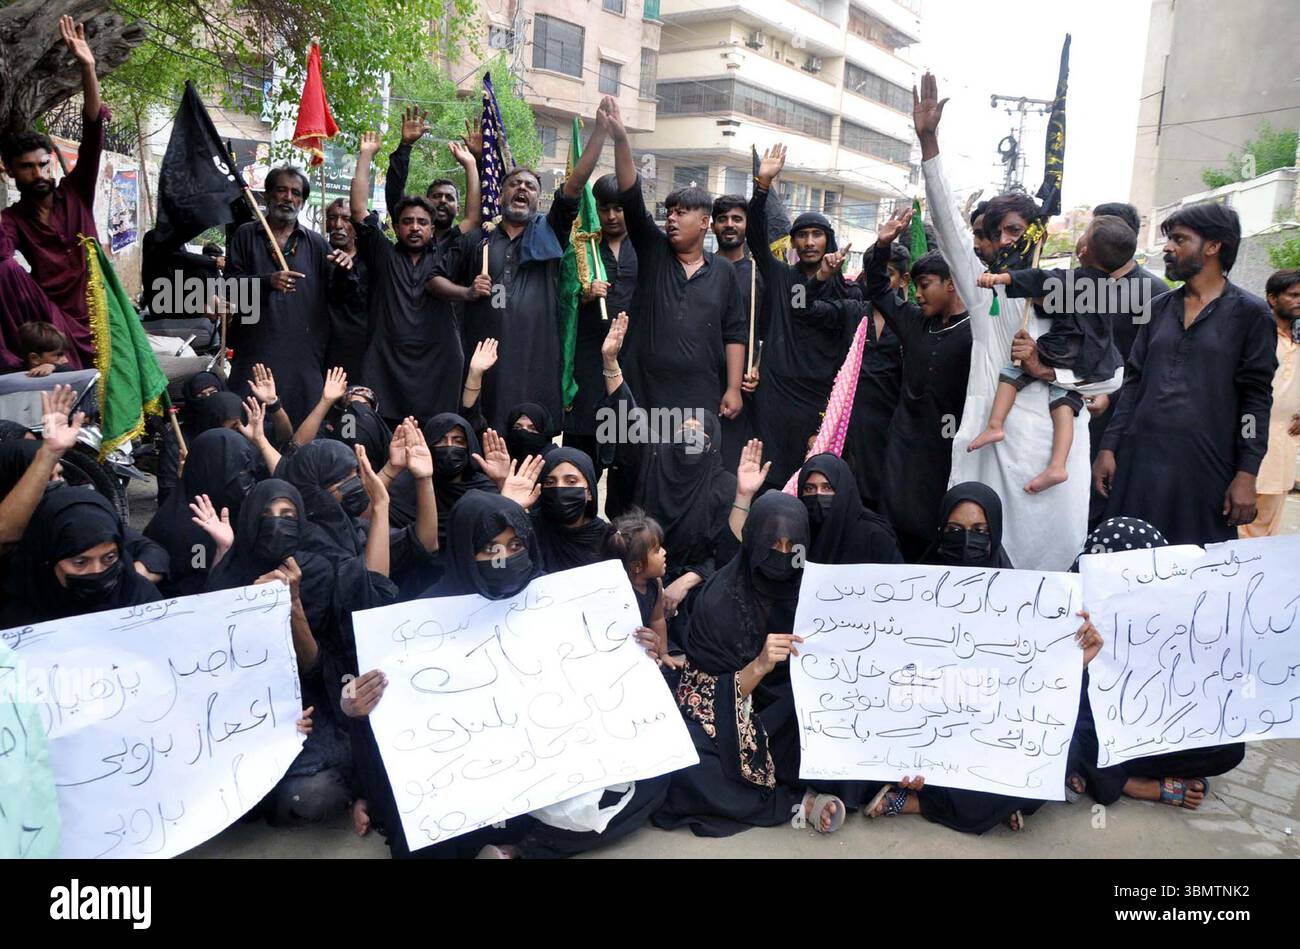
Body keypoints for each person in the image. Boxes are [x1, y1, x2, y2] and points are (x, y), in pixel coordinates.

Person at [346, 491, 670, 858]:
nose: (504, 558)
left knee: (654, 783)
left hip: (549, 768)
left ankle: (517, 852)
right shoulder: (420, 624)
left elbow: (601, 679)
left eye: (515, 544)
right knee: (420, 842)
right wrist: (354, 707)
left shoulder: (559, 600)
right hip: (469, 782)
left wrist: (642, 652)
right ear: (465, 551)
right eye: (489, 548)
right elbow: (394, 721)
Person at [915, 72, 1121, 570]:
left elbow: (1110, 377)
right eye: (1002, 232)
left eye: (1019, 231)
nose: (1011, 241)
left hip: (1058, 455)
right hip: (995, 454)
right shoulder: (992, 293)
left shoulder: (1080, 291)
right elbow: (946, 225)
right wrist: (929, 144)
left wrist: (1045, 370)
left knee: (1050, 575)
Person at [864, 482, 1096, 832]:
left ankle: (921, 803)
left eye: (979, 531)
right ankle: (970, 802)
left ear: (996, 532)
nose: (966, 540)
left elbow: (1032, 681)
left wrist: (1076, 657)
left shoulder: (1020, 600)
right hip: (931, 722)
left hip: (991, 727)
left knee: (1063, 751)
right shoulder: (913, 591)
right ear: (940, 530)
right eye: (955, 530)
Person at [653, 492, 869, 837]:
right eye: (772, 545)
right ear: (753, 540)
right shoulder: (718, 601)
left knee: (853, 727)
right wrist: (758, 665)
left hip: (793, 715)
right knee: (683, 763)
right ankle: (798, 802)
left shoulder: (816, 596)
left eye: (791, 546)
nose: (782, 556)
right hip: (730, 717)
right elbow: (701, 692)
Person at [1093, 202, 1276, 546]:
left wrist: (1247, 472)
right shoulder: (1158, 310)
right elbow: (1133, 385)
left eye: (1179, 239)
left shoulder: (1252, 315)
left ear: (1213, 246)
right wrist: (1109, 447)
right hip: (1139, 464)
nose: (1167, 247)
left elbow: (1255, 401)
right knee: (1125, 564)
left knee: (1194, 572)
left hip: (1205, 471)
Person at [429, 107, 606, 433]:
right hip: (485, 371)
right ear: (500, 194)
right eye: (514, 184)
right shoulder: (477, 240)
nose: (522, 189)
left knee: (531, 457)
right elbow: (433, 280)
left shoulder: (550, 232)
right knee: (482, 447)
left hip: (536, 368)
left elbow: (576, 184)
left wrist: (601, 133)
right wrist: (468, 292)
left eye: (530, 186)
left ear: (539, 199)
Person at [202, 478, 354, 825]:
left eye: (287, 514)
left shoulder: (318, 570)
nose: (276, 523)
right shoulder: (230, 575)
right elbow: (216, 666)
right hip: (240, 712)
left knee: (315, 795)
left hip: (305, 706)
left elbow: (315, 668)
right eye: (266, 515)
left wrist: (293, 604)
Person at [1064, 517, 1242, 810]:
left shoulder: (1166, 610)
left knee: (1228, 747)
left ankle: (1097, 774)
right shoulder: (1069, 607)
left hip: (1138, 726)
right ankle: (1134, 785)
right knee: (1071, 736)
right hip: (1087, 726)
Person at [597, 313, 742, 646]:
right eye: (684, 429)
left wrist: (684, 582)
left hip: (693, 591)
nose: (690, 436)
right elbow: (627, 414)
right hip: (635, 578)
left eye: (699, 433)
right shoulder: (654, 457)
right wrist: (610, 360)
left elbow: (726, 555)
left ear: (713, 444)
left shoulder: (723, 487)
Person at [604, 97, 746, 433]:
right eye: (669, 212)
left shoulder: (723, 272)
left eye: (681, 213)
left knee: (690, 470)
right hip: (645, 390)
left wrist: (734, 388)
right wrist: (622, 140)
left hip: (700, 394)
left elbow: (734, 331)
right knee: (639, 471)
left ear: (704, 223)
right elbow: (630, 195)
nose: (671, 219)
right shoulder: (654, 252)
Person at [970, 215, 1133, 493]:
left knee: (1012, 371)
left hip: (1063, 349)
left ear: (1082, 251)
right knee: (1064, 401)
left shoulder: (1074, 279)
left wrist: (999, 278)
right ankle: (1058, 465)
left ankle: (995, 425)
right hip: (1091, 358)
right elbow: (1058, 304)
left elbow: (1040, 278)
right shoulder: (1107, 289)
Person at [861, 208, 971, 560]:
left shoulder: (977, 331)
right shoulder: (913, 323)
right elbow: (877, 287)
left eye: (924, 286)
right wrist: (882, 243)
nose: (917, 295)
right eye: (914, 286)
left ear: (951, 283)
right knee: (894, 521)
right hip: (904, 443)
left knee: (934, 526)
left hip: (947, 448)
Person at [748, 143, 861, 486]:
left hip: (820, 400)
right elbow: (755, 236)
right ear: (793, 244)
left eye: (817, 235)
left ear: (829, 241)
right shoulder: (783, 277)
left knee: (814, 481)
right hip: (775, 396)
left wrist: (827, 280)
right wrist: (762, 187)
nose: (810, 242)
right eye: (802, 236)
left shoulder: (847, 291)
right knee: (771, 480)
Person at [352, 132, 480, 425]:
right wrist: (366, 155)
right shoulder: (383, 254)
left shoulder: (446, 254)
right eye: (407, 222)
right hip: (386, 364)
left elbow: (472, 218)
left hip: (439, 364)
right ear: (396, 228)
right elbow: (358, 211)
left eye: (422, 222)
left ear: (432, 229)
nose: (414, 227)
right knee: (382, 435)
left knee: (435, 434)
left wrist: (470, 165)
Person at [0, 16, 103, 367]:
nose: (39, 173)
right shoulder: (11, 219)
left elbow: (92, 130)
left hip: (100, 314)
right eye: (27, 168)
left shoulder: (76, 192)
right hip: (52, 318)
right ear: (10, 171)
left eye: (43, 165)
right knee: (4, 270)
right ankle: (23, 359)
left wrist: (87, 66)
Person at [224, 165, 333, 426]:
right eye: (281, 190)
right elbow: (230, 287)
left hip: (303, 359)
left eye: (295, 193)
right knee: (250, 427)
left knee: (301, 433)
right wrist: (267, 282)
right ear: (268, 195)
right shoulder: (245, 235)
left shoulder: (316, 243)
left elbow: (335, 292)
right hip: (255, 351)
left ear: (303, 201)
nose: (288, 197)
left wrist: (346, 265)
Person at [1084, 202, 1168, 526]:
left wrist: (1112, 397)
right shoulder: (1082, 286)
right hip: (1077, 409)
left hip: (1117, 417)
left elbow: (1147, 366)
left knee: (1104, 500)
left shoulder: (1152, 293)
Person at [0, 485, 161, 627]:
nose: (96, 571)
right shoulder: (17, 616)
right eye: (80, 562)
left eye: (109, 558)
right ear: (48, 558)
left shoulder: (139, 595)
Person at [563, 173, 638, 476]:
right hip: (588, 362)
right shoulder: (582, 247)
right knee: (581, 457)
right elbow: (561, 298)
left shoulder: (646, 246)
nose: (611, 216)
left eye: (618, 208)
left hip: (631, 362)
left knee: (627, 451)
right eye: (604, 208)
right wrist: (584, 294)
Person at [143, 426, 259, 596]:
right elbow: (201, 589)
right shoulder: (190, 532)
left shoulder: (225, 508)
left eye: (248, 471)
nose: (246, 481)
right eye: (238, 472)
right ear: (211, 471)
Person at [1239, 270, 1300, 537]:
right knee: (1240, 519)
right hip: (1248, 436)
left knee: (1269, 528)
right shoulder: (1253, 334)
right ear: (1272, 298)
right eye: (1294, 295)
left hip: (1285, 443)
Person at [848, 241, 907, 508]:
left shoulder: (913, 320)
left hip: (892, 422)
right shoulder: (853, 313)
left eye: (888, 274)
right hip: (853, 421)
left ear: (903, 279)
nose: (879, 282)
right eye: (874, 274)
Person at [711, 194, 764, 471]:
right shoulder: (702, 268)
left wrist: (758, 366)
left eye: (737, 219)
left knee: (730, 466)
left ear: (747, 225)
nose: (729, 225)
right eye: (722, 219)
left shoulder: (758, 274)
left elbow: (769, 330)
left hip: (741, 388)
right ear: (712, 226)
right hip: (703, 381)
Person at [605, 509, 679, 675]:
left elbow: (658, 619)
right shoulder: (619, 594)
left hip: (650, 644)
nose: (664, 552)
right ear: (637, 566)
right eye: (657, 550)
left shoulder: (656, 584)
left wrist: (663, 653)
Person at [796, 453, 902, 564]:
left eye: (827, 488)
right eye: (809, 489)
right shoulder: (799, 535)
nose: (818, 494)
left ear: (842, 490)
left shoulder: (875, 536)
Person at [531, 447, 611, 572]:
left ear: (589, 492)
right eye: (550, 482)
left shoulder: (607, 539)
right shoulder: (530, 530)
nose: (559, 488)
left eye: (571, 481)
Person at [322, 198, 369, 381]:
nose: (338, 225)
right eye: (332, 218)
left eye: (346, 219)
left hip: (356, 352)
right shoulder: (317, 253)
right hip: (321, 349)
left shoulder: (369, 260)